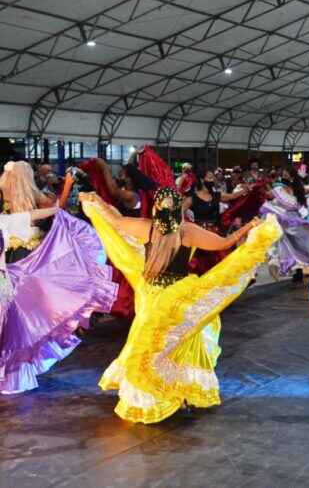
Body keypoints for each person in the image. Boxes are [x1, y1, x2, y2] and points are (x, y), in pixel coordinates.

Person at [79, 188, 281, 424]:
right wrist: (248, 228)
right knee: (182, 341)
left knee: (146, 345)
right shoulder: (188, 231)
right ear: (180, 209)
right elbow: (224, 243)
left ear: (156, 207)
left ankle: (149, 396)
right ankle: (179, 390)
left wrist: (95, 201)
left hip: (151, 295)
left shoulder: (146, 227)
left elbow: (114, 220)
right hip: (179, 297)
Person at [0, 202, 118, 394]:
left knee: (10, 332)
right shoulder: (5, 221)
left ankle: (11, 377)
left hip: (3, 283)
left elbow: (31, 214)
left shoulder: (4, 221)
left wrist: (57, 211)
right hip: (4, 281)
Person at [260, 166, 309, 283]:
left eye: (285, 173)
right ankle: (283, 266)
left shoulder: (296, 187)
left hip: (295, 220)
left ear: (292, 175)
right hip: (283, 219)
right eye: (282, 174)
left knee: (299, 244)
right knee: (284, 244)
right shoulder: (278, 188)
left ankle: (297, 273)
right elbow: (269, 196)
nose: (283, 176)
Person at [181, 169, 248, 275]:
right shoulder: (192, 198)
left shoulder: (217, 195)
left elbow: (232, 196)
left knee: (221, 262)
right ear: (202, 180)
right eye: (210, 178)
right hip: (199, 236)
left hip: (215, 233)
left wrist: (244, 190)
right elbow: (179, 212)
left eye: (213, 178)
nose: (212, 180)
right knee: (200, 266)